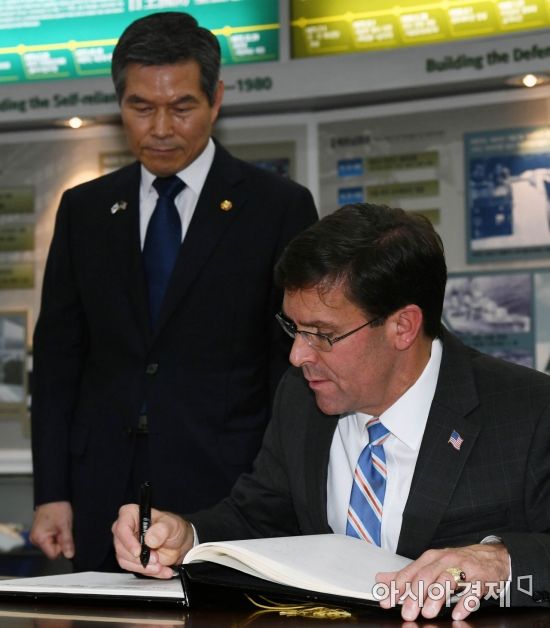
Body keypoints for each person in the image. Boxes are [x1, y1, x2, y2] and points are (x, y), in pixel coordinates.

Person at [112, 203, 550, 620]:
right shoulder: (301, 397)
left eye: (322, 334)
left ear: (403, 326)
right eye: (293, 328)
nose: (297, 355)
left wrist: (502, 561)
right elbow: (260, 517)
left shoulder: (528, 411)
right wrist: (186, 535)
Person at [29, 11, 317, 572]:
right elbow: (59, 359)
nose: (161, 128)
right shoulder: (85, 210)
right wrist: (51, 492)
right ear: (119, 104)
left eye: (182, 107)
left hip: (229, 491)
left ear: (216, 99)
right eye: (141, 107)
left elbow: (290, 363)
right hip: (99, 491)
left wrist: (284, 490)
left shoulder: (277, 207)